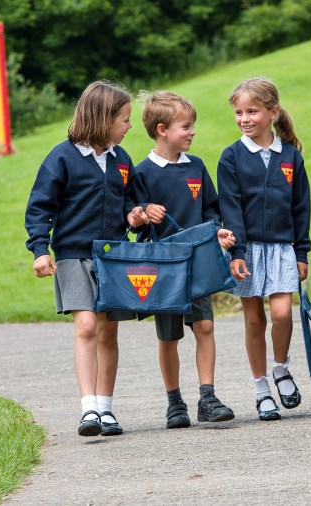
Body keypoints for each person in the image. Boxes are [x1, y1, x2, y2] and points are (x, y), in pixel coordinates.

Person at [25, 80, 147, 436]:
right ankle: (88, 408)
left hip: (113, 257)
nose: (129, 126)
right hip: (73, 255)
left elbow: (129, 204)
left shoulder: (122, 160)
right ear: (103, 118)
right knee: (88, 326)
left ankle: (107, 409)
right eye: (124, 119)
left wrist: (135, 216)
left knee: (109, 332)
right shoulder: (61, 157)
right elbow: (40, 208)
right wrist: (39, 250)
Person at [129, 91, 237, 429]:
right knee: (169, 337)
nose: (192, 132)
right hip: (163, 270)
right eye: (185, 127)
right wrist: (145, 212)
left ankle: (208, 396)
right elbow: (132, 218)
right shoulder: (142, 172)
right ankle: (174, 402)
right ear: (162, 129)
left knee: (205, 326)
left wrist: (217, 233)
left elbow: (210, 210)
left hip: (198, 264)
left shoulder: (197, 167)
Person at [217, 78, 311, 421]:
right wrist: (237, 253)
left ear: (272, 112)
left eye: (252, 111)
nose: (244, 118)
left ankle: (281, 369)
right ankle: (261, 390)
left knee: (283, 313)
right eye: (239, 112)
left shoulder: (290, 157)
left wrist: (302, 253)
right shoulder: (231, 157)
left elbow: (302, 207)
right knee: (255, 321)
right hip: (247, 252)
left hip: (283, 249)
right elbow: (230, 207)